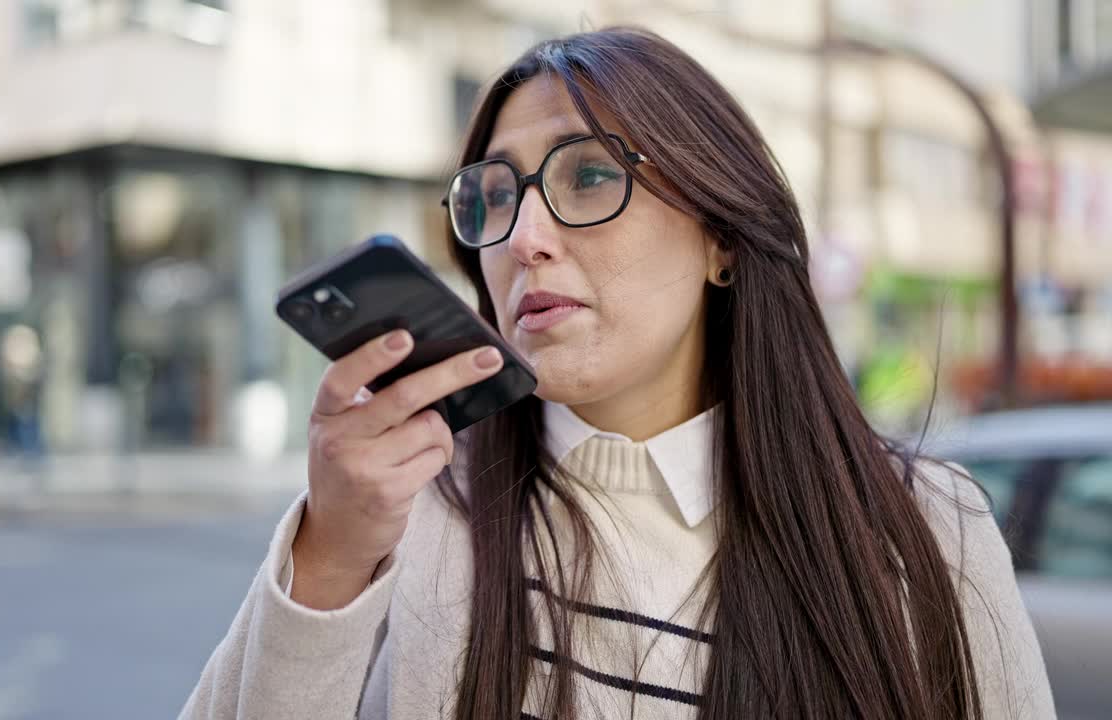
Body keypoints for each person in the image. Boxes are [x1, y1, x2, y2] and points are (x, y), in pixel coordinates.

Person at [181, 27, 1054, 720]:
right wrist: (332, 557)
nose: (524, 240)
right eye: (493, 198)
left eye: (589, 174)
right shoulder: (409, 516)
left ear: (721, 235)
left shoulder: (925, 531)